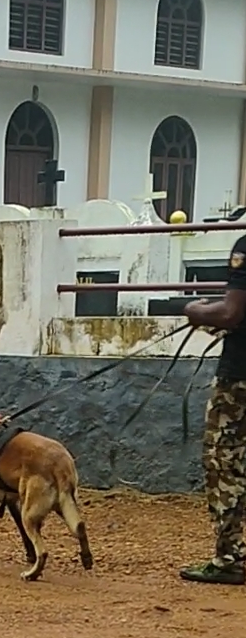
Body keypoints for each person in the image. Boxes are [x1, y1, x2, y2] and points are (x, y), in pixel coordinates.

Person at [180, 234, 246, 585]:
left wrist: (195, 311)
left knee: (224, 463)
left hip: (240, 380)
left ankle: (229, 559)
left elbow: (231, 312)